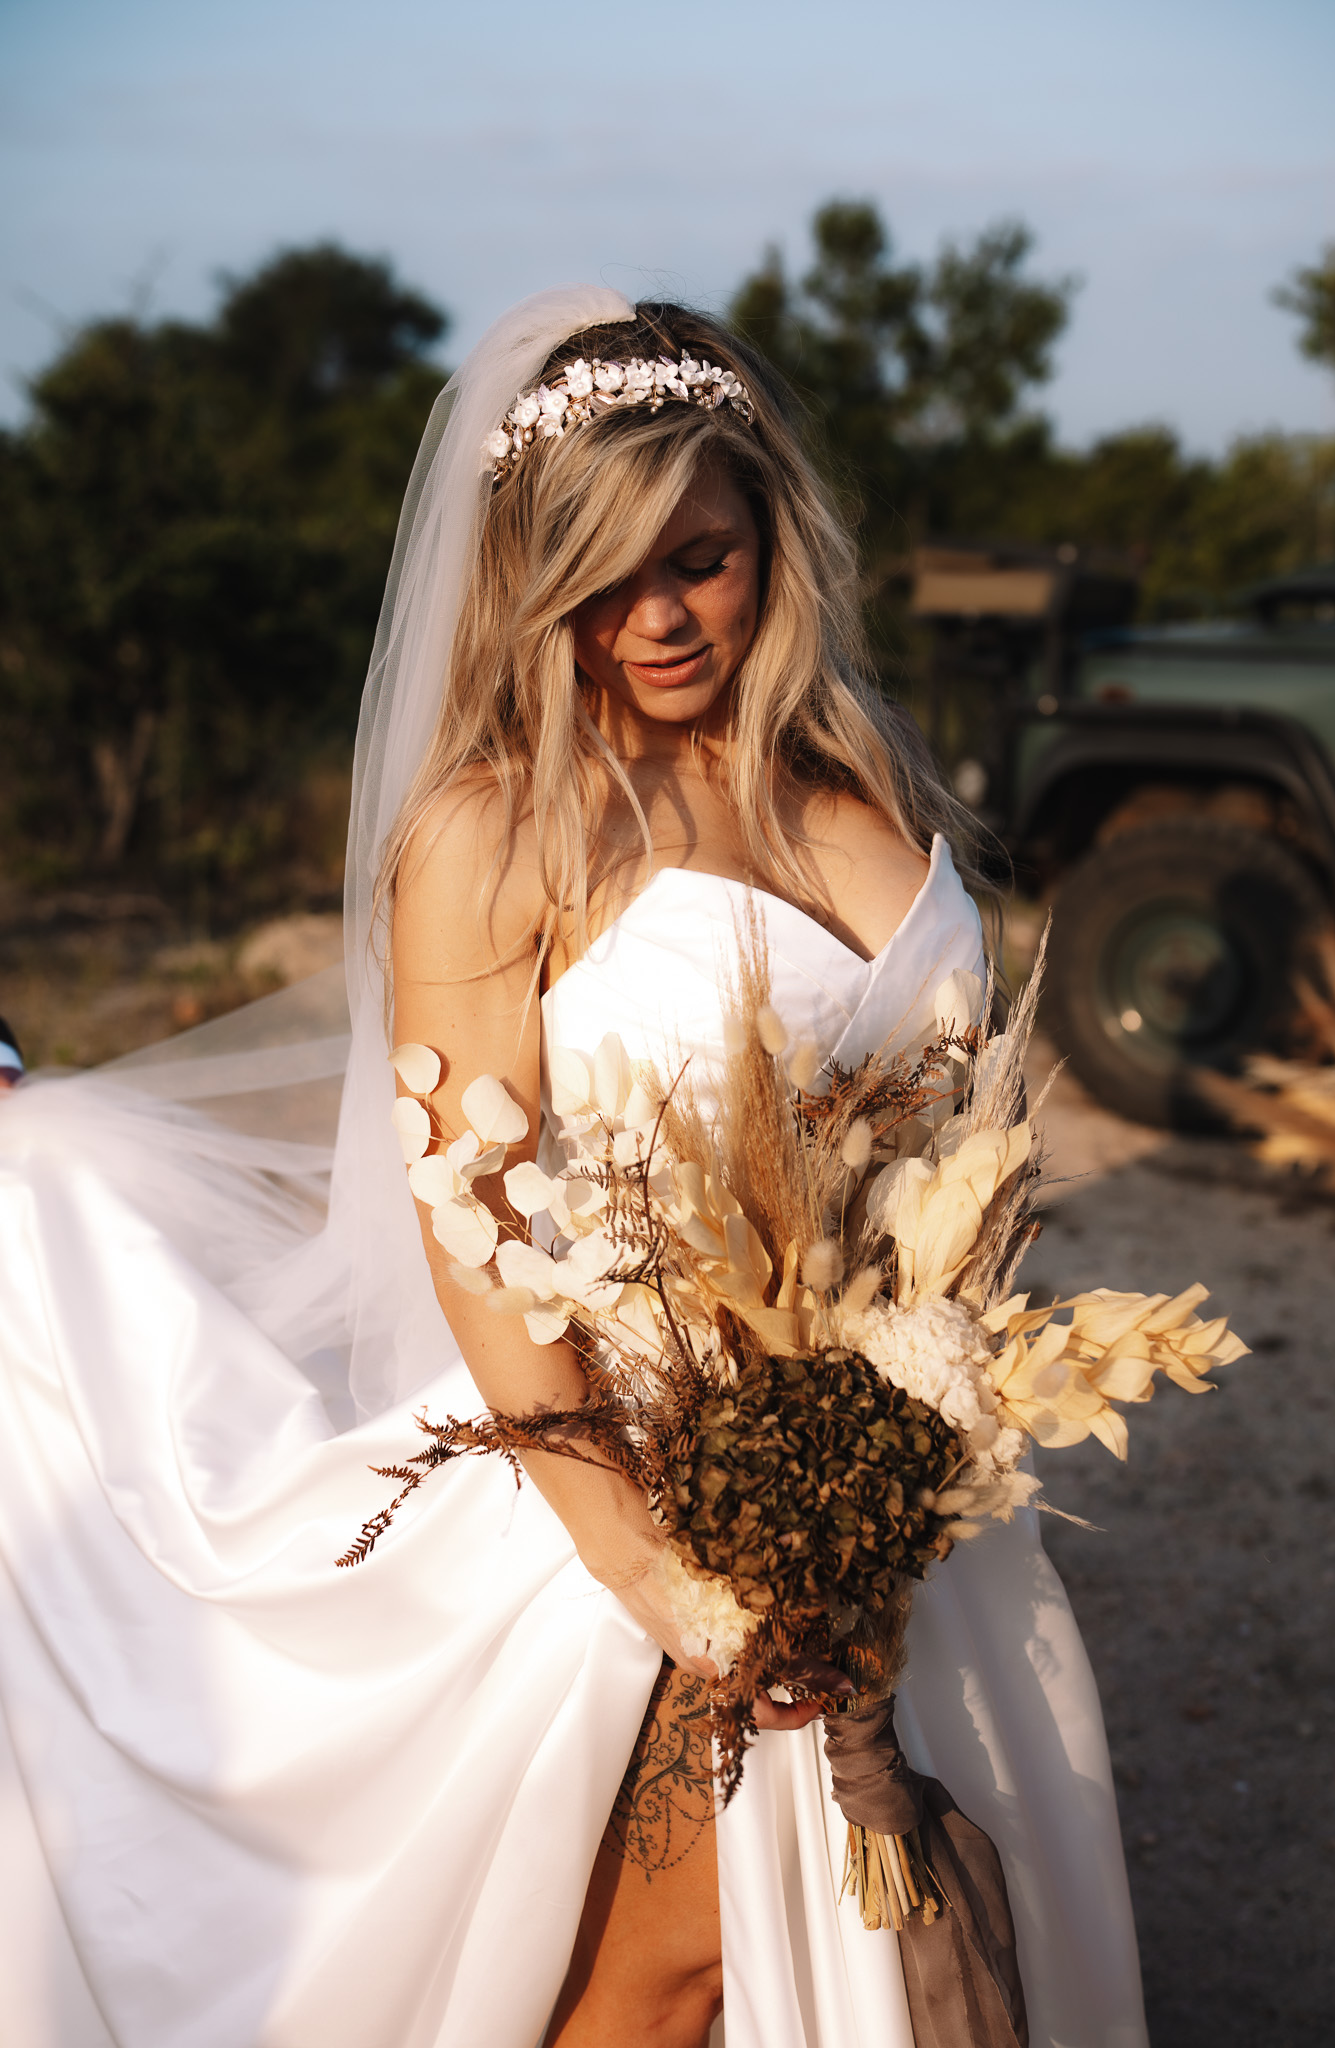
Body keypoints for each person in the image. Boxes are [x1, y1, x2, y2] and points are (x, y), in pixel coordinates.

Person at [0, 288, 1147, 2048]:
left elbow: (950, 1157)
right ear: (529, 580)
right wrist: (656, 1572)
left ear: (773, 532)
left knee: (915, 1913)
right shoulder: (496, 827)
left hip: (908, 1510)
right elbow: (467, 1220)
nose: (656, 617)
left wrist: (934, 1427)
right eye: (598, 575)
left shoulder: (874, 785)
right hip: (641, 1498)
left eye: (699, 554)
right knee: (667, 1969)